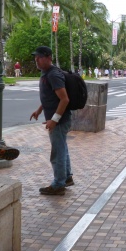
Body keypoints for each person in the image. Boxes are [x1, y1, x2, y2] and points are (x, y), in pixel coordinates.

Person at [30, 46, 74, 196]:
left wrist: (54, 120)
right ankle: (66, 177)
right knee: (62, 148)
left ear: (49, 57)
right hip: (58, 119)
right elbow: (50, 97)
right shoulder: (46, 73)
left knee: (57, 152)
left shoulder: (53, 74)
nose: (36, 60)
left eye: (40, 57)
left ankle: (58, 184)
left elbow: (64, 99)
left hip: (60, 121)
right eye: (36, 57)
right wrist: (39, 110)